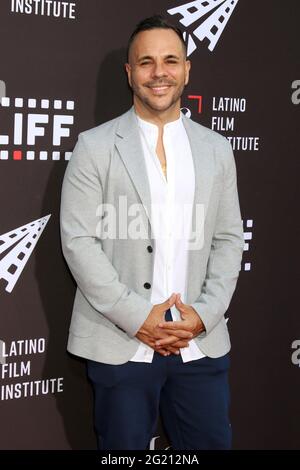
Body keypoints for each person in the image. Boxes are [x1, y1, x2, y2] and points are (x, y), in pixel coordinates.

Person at [60, 15, 244, 450]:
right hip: (121, 343)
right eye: (146, 62)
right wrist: (139, 318)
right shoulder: (95, 147)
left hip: (199, 345)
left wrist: (203, 315)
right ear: (129, 73)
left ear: (186, 70)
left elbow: (229, 239)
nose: (159, 72)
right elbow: (79, 241)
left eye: (170, 60)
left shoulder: (216, 149)